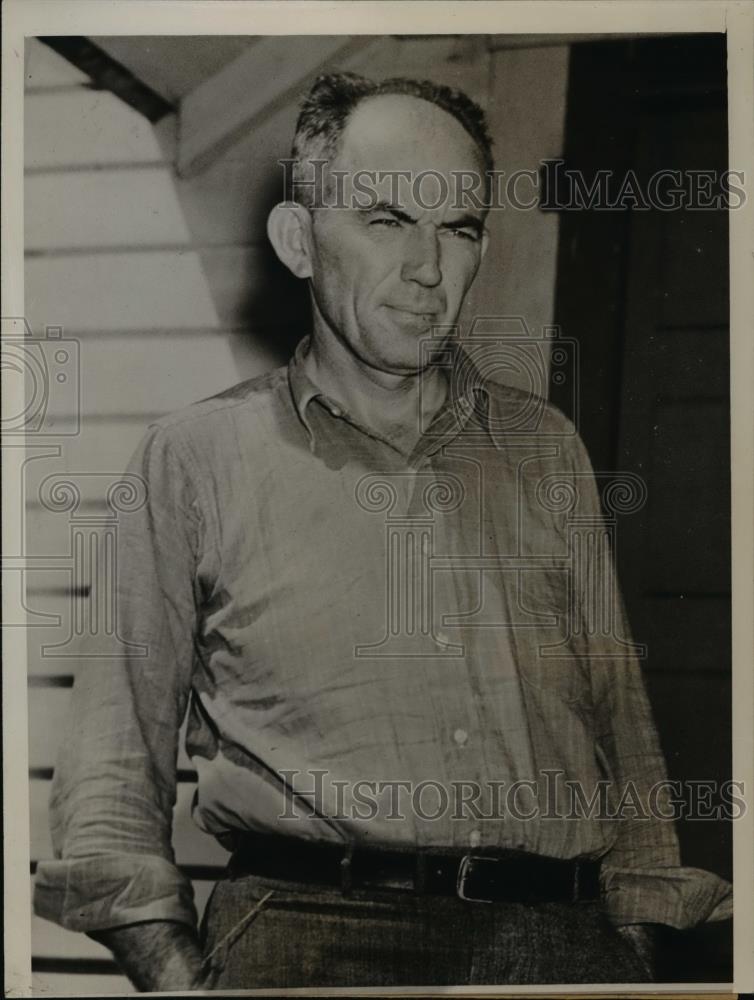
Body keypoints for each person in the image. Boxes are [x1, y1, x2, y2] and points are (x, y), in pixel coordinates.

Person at [34, 72, 732, 991]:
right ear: (298, 239)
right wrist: (178, 977)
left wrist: (633, 945)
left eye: (459, 227)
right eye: (387, 219)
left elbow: (624, 736)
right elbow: (110, 775)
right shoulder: (190, 461)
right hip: (310, 940)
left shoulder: (547, 450)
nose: (428, 270)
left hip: (554, 942)